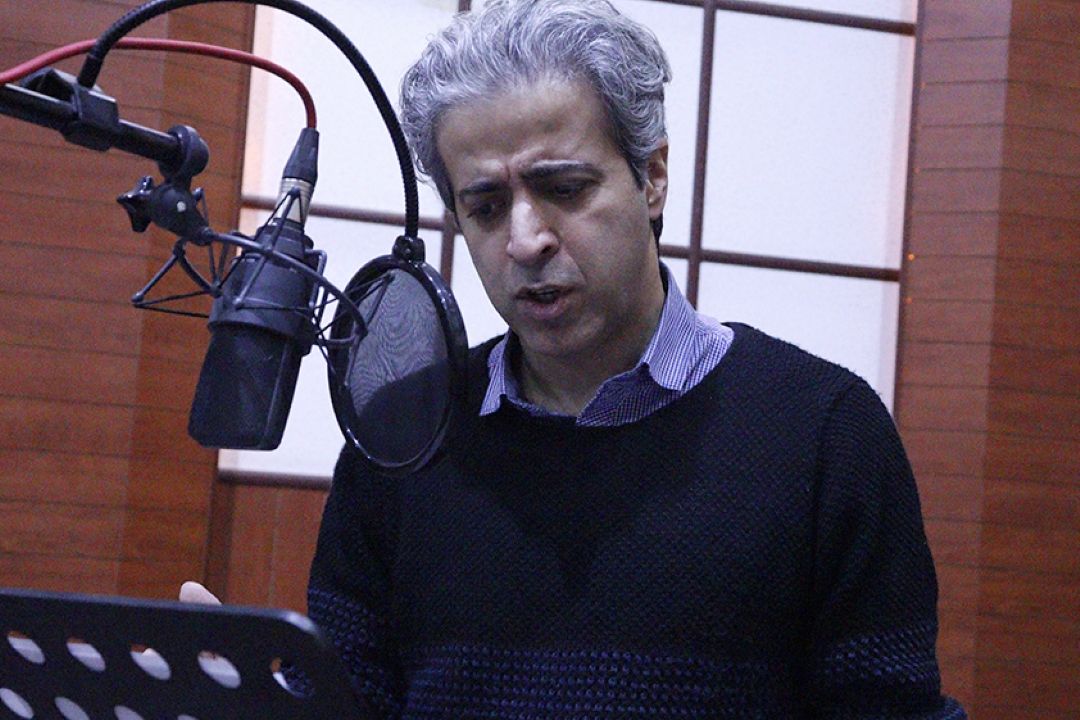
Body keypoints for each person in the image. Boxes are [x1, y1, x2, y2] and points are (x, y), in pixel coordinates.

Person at [302, 1, 966, 717]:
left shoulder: (823, 432)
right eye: (486, 207)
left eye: (564, 189)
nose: (525, 240)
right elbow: (341, 698)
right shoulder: (403, 433)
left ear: (652, 178)